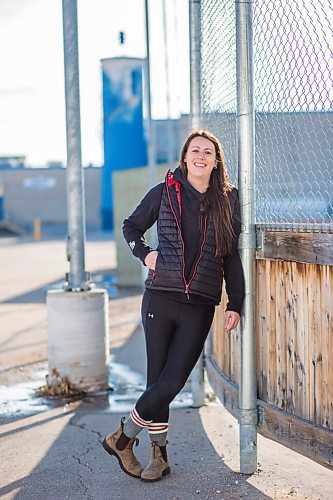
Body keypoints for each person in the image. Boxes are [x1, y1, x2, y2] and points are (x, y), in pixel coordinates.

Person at [102, 129, 245, 482]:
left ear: (216, 162)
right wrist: (145, 254)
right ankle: (159, 457)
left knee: (172, 381)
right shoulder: (164, 192)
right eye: (194, 150)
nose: (200, 156)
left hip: (199, 304)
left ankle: (122, 438)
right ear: (184, 158)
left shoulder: (229, 199)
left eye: (208, 152)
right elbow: (131, 227)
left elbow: (231, 256)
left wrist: (235, 302)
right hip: (160, 299)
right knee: (157, 380)